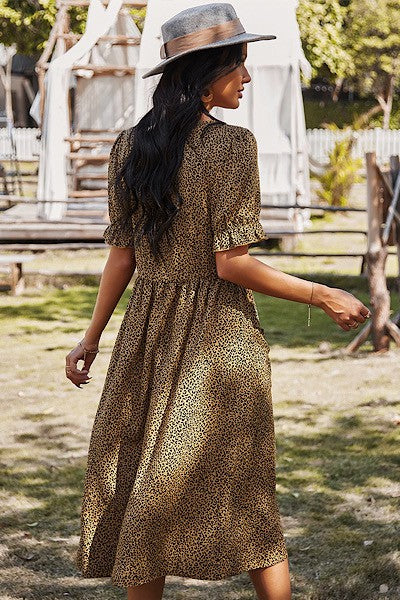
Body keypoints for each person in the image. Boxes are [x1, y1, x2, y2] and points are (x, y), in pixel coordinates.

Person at [66, 4, 371, 600]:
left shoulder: (130, 147)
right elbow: (230, 263)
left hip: (145, 337)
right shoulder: (231, 147)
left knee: (144, 491)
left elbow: (122, 257)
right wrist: (321, 293)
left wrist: (92, 338)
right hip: (218, 340)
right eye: (239, 66)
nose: (247, 78)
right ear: (206, 75)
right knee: (246, 494)